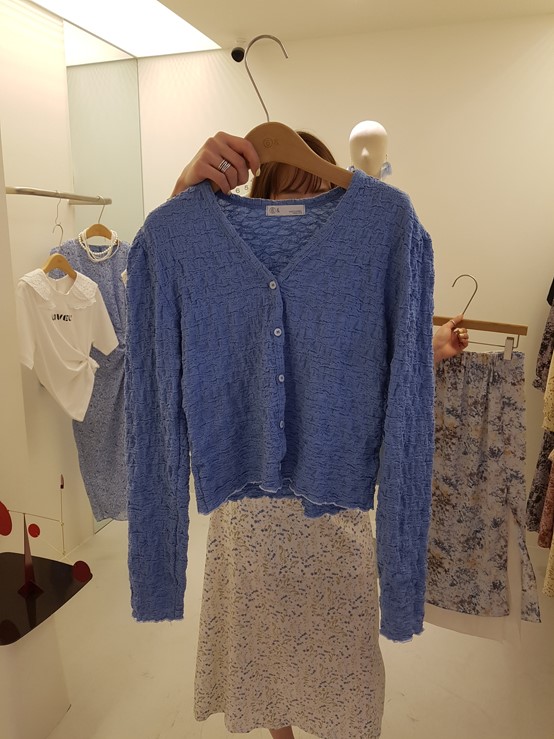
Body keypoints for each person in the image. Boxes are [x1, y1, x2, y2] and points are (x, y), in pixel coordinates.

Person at [165, 130, 468, 739]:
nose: (302, 204)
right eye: (288, 190)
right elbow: (166, 298)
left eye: (318, 190)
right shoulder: (222, 262)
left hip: (334, 513)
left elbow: (372, 349)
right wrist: (182, 189)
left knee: (343, 674)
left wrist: (430, 346)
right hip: (249, 519)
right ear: (260, 196)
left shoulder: (361, 251)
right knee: (263, 662)